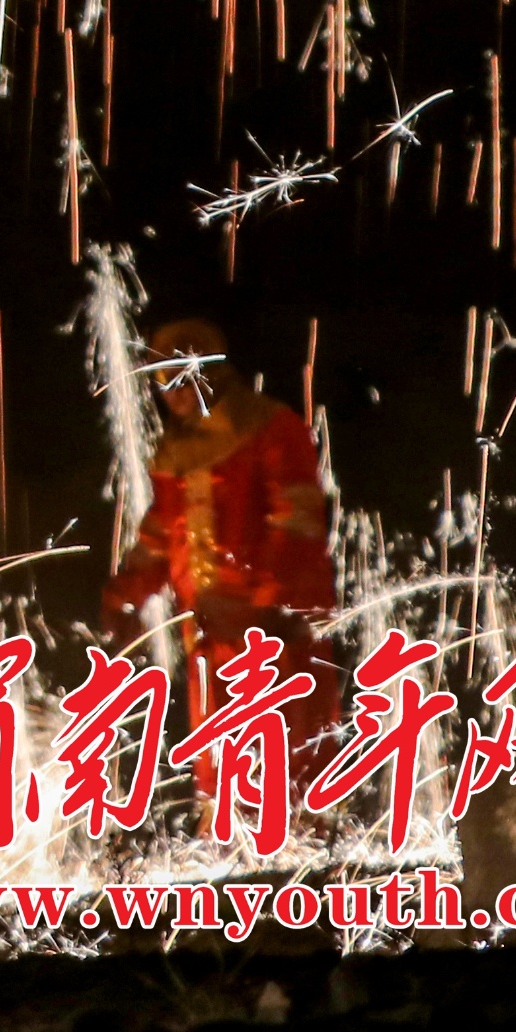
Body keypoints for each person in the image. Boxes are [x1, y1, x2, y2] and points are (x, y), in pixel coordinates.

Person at [102, 315, 337, 745]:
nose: (172, 392)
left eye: (182, 376)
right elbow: (160, 537)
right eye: (163, 379)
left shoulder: (270, 428)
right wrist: (123, 597)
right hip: (209, 630)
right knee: (220, 755)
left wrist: (271, 606)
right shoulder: (177, 452)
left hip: (271, 628)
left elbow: (297, 522)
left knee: (285, 751)